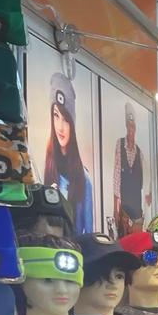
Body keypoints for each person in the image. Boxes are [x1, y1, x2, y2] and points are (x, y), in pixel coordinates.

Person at [43, 73, 93, 233]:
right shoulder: (48, 167)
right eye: (56, 115)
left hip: (74, 247)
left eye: (65, 119)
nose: (60, 126)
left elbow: (89, 232)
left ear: (72, 123)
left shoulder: (84, 178)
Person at [112, 101, 149, 237]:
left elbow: (144, 183)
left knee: (138, 240)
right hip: (124, 209)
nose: (131, 130)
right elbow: (116, 178)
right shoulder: (120, 144)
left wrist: (145, 208)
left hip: (137, 209)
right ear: (126, 126)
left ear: (135, 128)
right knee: (123, 240)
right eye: (129, 126)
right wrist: (116, 208)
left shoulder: (139, 153)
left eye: (133, 126)